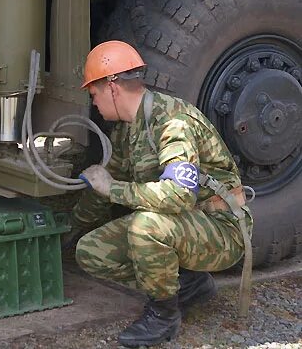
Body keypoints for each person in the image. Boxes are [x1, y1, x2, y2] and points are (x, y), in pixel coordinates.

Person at [72, 41, 253, 347]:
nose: (95, 103)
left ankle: (164, 313)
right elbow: (107, 181)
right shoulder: (128, 129)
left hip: (221, 228)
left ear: (113, 87)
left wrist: (112, 188)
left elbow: (179, 195)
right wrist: (72, 226)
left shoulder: (172, 122)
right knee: (90, 251)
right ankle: (188, 284)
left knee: (146, 227)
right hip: (184, 225)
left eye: (94, 94)